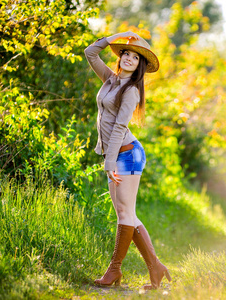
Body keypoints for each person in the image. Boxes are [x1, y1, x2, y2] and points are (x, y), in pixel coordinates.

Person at [84, 31, 171, 289]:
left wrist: (109, 162)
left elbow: (120, 128)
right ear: (120, 57)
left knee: (124, 213)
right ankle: (155, 268)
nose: (130, 59)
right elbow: (90, 52)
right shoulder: (110, 79)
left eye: (135, 57)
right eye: (126, 54)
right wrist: (118, 36)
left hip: (128, 154)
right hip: (119, 153)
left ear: (140, 66)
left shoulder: (131, 90)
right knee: (126, 213)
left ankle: (114, 271)